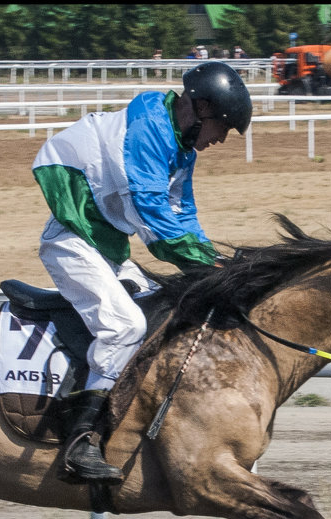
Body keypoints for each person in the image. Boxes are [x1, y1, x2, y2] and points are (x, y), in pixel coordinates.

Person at [31, 61, 252, 483]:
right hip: (71, 242)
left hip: (104, 246)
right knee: (125, 326)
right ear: (201, 108)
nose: (221, 139)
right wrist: (212, 266)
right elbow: (155, 222)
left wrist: (213, 259)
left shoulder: (179, 145)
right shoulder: (149, 131)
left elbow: (182, 214)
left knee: (159, 311)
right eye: (222, 128)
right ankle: (82, 441)